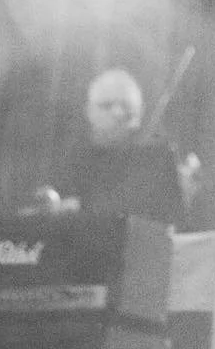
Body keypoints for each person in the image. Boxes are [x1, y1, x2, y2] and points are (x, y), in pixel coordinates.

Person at [57, 66, 199, 228]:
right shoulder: (73, 161)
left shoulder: (156, 161)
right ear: (89, 111)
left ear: (140, 112)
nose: (117, 113)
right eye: (107, 105)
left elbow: (171, 223)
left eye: (126, 106)